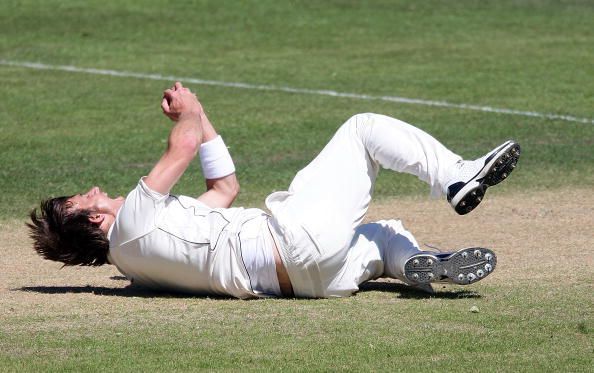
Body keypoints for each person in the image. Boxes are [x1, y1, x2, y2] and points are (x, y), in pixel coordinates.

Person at [28, 82, 520, 299]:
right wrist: (189, 110)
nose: (94, 190)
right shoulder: (133, 220)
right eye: (84, 198)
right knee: (363, 128)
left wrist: (203, 117)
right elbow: (180, 147)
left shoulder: (138, 267)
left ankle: (418, 265)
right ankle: (457, 177)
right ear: (94, 221)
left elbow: (224, 188)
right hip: (293, 238)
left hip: (308, 284)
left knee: (383, 235)